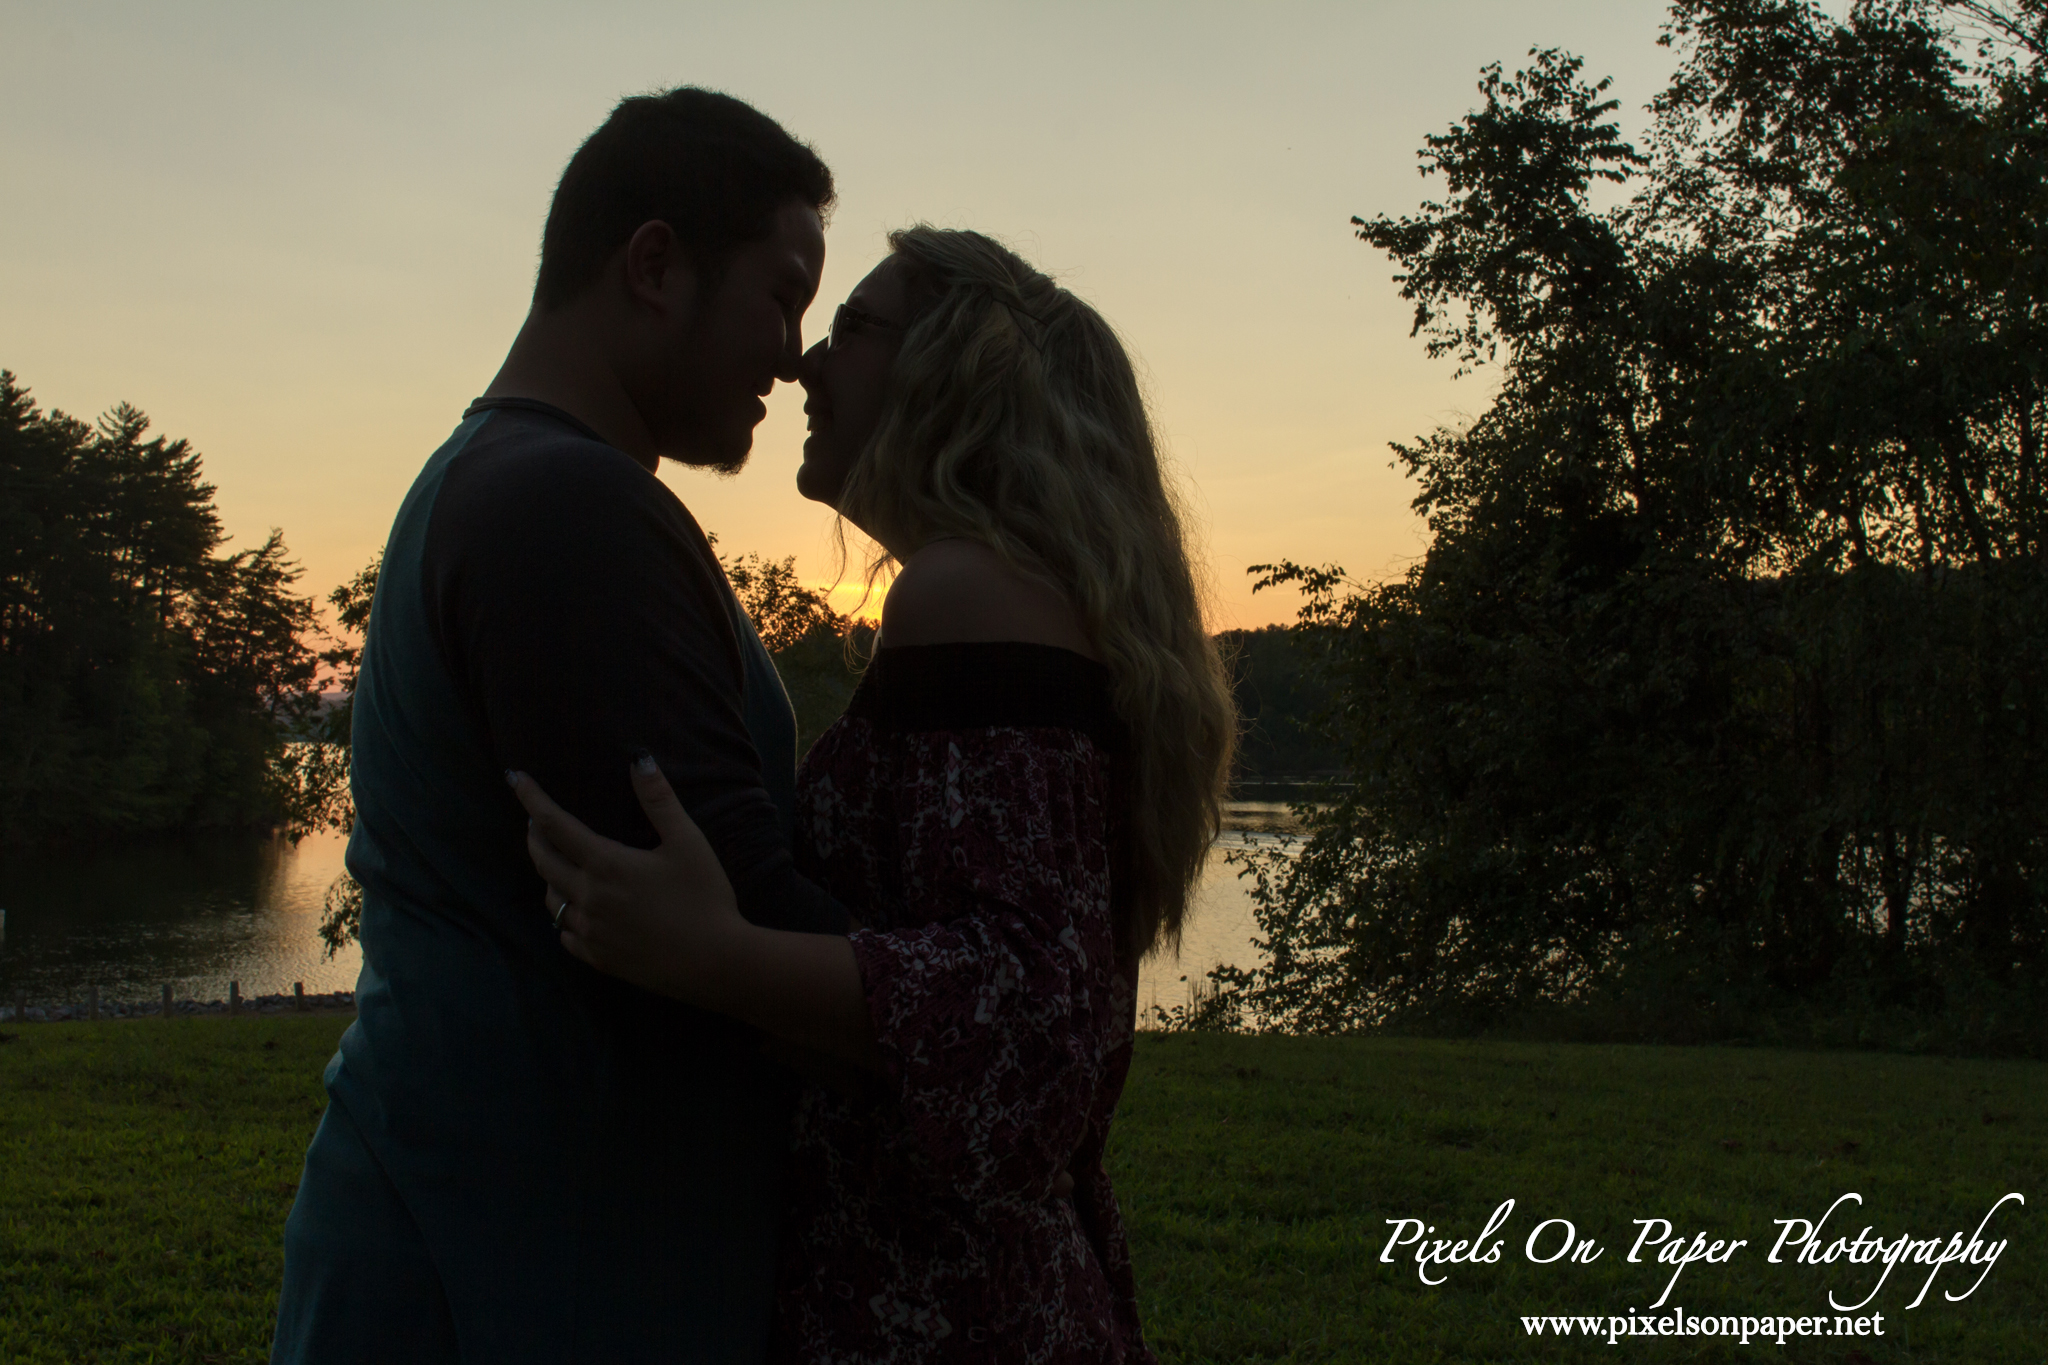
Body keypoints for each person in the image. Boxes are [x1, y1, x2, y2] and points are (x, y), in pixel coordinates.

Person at [509, 226, 1237, 1362]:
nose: (803, 365)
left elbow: (1033, 1022)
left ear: (952, 369)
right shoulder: (1025, 600)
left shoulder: (968, 596)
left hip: (941, 1309)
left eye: (850, 329)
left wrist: (708, 954)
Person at [272, 89, 849, 1363]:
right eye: (780, 294)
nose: (794, 353)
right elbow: (731, 921)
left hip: (509, 1249)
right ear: (654, 265)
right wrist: (1008, 1001)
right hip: (506, 1278)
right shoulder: (563, 512)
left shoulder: (510, 482)